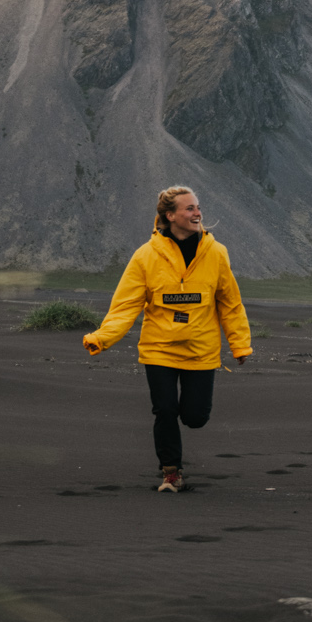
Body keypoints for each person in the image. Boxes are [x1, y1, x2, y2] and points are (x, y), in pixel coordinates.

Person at [82, 184, 252, 492]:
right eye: (189, 208)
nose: (197, 213)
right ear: (170, 215)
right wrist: (102, 337)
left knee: (195, 417)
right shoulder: (146, 256)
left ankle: (176, 458)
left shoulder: (217, 253)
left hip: (201, 350)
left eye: (197, 207)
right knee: (165, 410)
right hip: (159, 348)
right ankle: (171, 472)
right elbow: (125, 304)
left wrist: (239, 343)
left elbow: (230, 303)